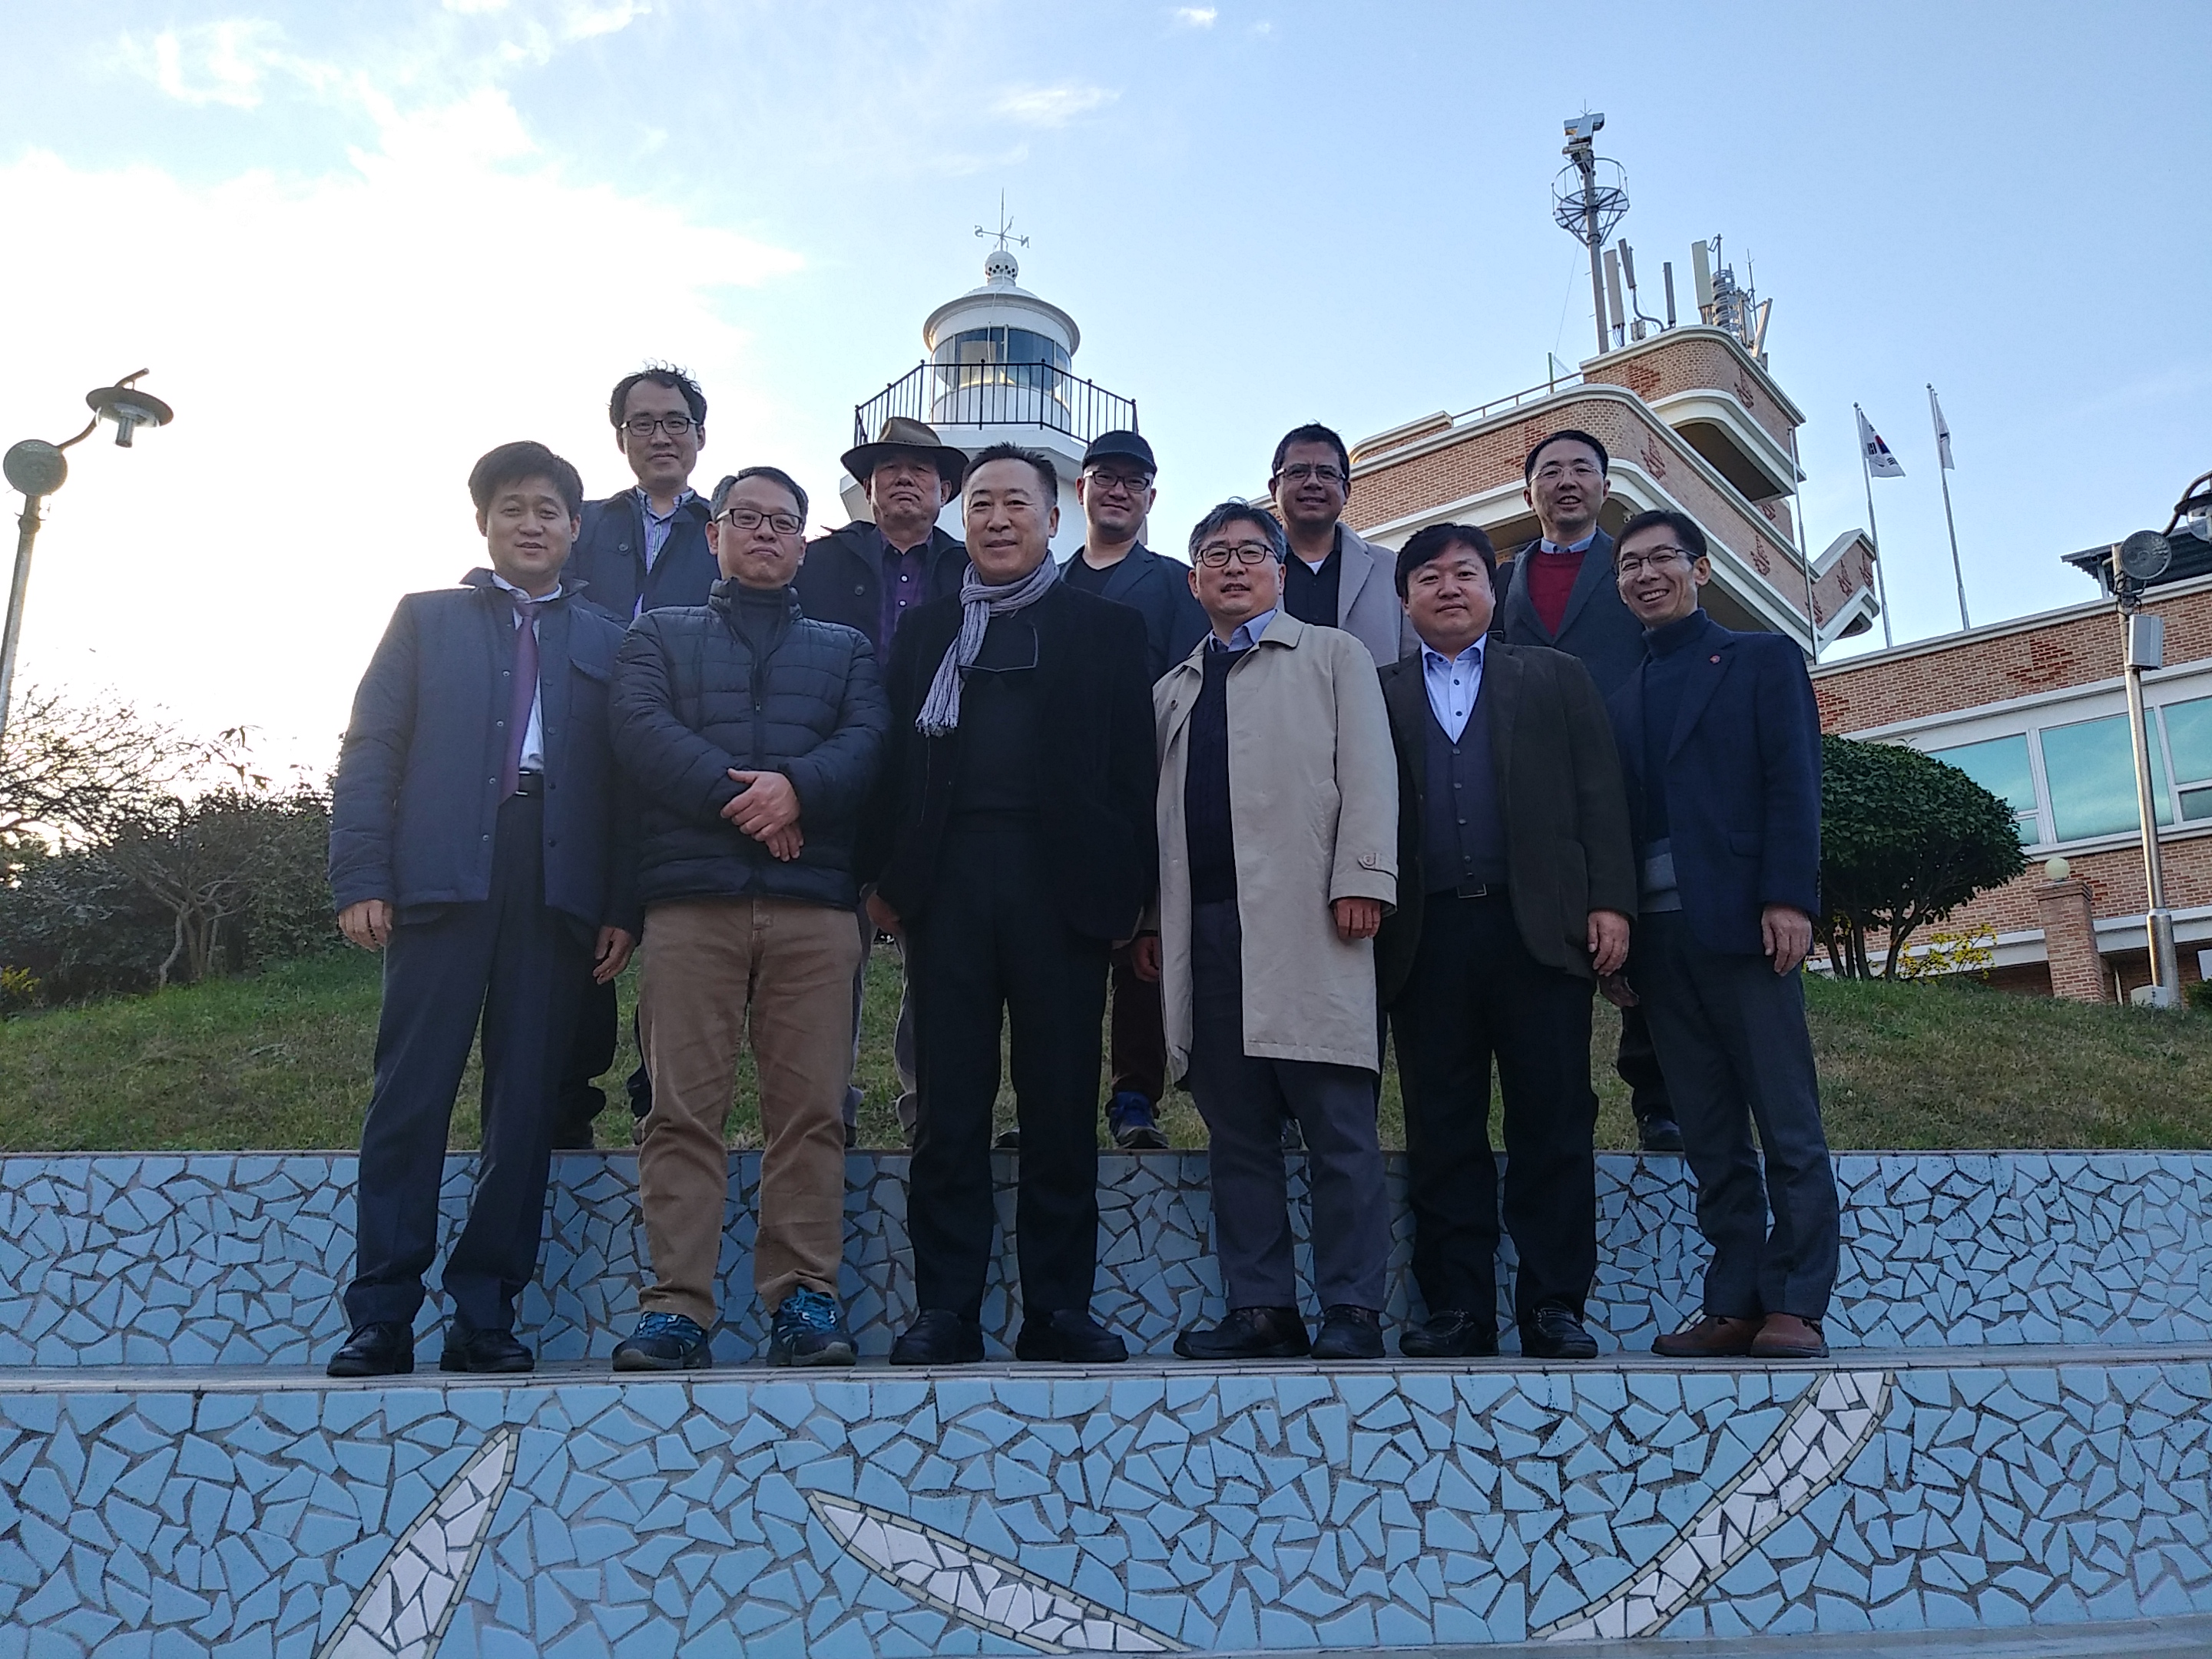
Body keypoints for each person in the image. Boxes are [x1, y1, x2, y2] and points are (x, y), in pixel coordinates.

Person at [326, 441, 636, 1379]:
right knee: (409, 1096)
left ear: (575, 528)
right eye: (512, 508)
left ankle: (485, 1312)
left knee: (526, 1106)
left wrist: (620, 902)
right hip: (441, 876)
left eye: (548, 510)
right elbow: (371, 748)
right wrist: (362, 875)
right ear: (484, 523)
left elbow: (627, 783)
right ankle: (382, 1314)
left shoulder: (612, 640)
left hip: (556, 885)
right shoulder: (425, 621)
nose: (530, 524)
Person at [861, 443, 1155, 1366]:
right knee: (949, 1106)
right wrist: (883, 880)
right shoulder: (926, 633)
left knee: (1061, 1104)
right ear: (963, 518)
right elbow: (893, 765)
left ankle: (1058, 1309)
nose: (996, 518)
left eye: (1016, 503)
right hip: (947, 888)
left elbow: (1134, 774)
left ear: (1054, 519)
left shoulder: (1107, 631)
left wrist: (1131, 897)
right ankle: (945, 1309)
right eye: (981, 503)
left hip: (1061, 892)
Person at [606, 466, 889, 1372]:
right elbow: (639, 730)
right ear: (714, 534)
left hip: (815, 909)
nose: (765, 533)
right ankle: (676, 1308)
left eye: (783, 521)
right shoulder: (658, 634)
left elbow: (868, 742)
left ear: (804, 542)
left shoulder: (846, 649)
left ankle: (804, 1298)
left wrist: (797, 787)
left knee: (811, 1112)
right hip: (692, 905)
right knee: (680, 1111)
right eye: (747, 518)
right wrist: (752, 803)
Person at [1135, 502, 1399, 1362]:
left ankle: (1353, 1309)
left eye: (1252, 553)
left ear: (1281, 574)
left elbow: (1369, 771)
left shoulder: (1333, 655)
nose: (1234, 567)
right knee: (1237, 1130)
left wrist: (1364, 876)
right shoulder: (1173, 691)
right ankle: (1262, 1310)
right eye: (1216, 555)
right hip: (1207, 928)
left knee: (1339, 1126)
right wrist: (1153, 920)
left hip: (1311, 919)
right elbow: (1157, 823)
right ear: (1193, 581)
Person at [1374, 524, 1636, 1362]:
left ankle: (1554, 1304)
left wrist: (1610, 903)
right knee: (1441, 1124)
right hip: (1425, 936)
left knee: (1553, 1118)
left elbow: (1601, 793)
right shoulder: (1377, 692)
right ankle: (1458, 1308)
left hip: (1540, 932)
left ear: (1493, 590)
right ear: (1404, 600)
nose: (1448, 588)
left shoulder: (1554, 675)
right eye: (1428, 578)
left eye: (1465, 573)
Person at [1602, 508, 1838, 1362]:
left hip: (1746, 926)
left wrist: (1789, 898)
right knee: (1708, 1132)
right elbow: (1611, 826)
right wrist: (1617, 935)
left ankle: (1798, 1301)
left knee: (1786, 1119)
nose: (1645, 575)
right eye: (1629, 565)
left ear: (1699, 570)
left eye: (1661, 558)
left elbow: (1793, 782)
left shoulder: (1761, 659)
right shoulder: (1619, 697)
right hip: (1659, 944)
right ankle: (1733, 1299)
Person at [1492, 429, 1684, 1155]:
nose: (1566, 481)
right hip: (1530, 783)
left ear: (1605, 487)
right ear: (1529, 492)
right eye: (1551, 471)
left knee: (1640, 927)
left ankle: (1658, 1099)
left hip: (1623, 768)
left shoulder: (1630, 569)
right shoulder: (1502, 579)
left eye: (1582, 469)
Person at [554, 365, 717, 1149]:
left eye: (675, 421)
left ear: (700, 436)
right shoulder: (581, 524)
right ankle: (567, 1110)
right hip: (584, 751)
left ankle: (663, 1105)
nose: (661, 436)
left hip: (684, 756)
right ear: (621, 437)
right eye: (643, 422)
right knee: (582, 930)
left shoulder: (723, 529)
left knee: (677, 937)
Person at [797, 416, 972, 1145]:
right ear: (867, 487)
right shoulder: (816, 563)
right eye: (888, 468)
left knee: (936, 952)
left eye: (920, 468)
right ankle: (825, 1109)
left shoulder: (972, 569)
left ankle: (926, 1108)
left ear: (945, 489)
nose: (904, 478)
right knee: (830, 954)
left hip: (937, 778)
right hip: (835, 775)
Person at [1058, 429, 1208, 1151]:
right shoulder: (1051, 580)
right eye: (1105, 478)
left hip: (1147, 780)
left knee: (1143, 943)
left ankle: (1134, 1098)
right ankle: (1052, 1095)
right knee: (1060, 953)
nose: (1118, 491)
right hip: (1061, 788)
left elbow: (1190, 679)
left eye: (1133, 481)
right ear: (1080, 489)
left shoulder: (1173, 582)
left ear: (1151, 497)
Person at [1267, 422, 1415, 670]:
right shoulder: (1251, 571)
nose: (1313, 482)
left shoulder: (1391, 569)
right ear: (1274, 489)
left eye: (1326, 473)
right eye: (1298, 472)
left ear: (1346, 491)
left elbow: (1414, 664)